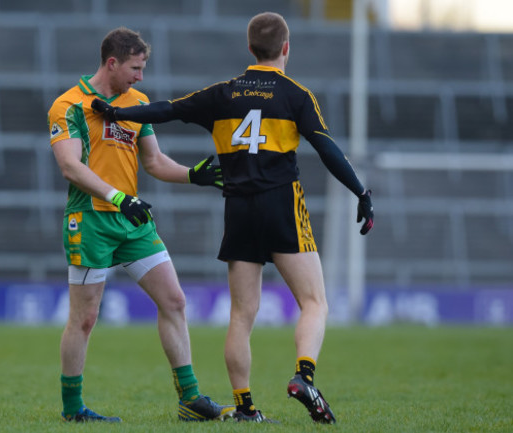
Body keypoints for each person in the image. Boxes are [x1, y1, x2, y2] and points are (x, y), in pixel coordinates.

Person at [92, 12, 374, 424]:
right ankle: (304, 376)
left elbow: (166, 110)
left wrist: (117, 115)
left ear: (249, 50)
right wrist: (361, 193)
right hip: (281, 203)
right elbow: (327, 149)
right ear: (285, 49)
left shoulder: (222, 94)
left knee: (242, 314)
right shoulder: (296, 95)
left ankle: (245, 406)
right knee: (314, 301)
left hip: (239, 208)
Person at [47, 27, 232, 423]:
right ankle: (72, 409)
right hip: (92, 219)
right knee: (84, 318)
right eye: (135, 67)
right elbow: (69, 166)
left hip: (132, 220)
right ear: (111, 63)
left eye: (142, 68)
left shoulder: (137, 103)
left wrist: (192, 176)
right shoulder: (69, 104)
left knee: (175, 301)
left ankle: (190, 400)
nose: (140, 76)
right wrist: (117, 197)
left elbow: (153, 161)